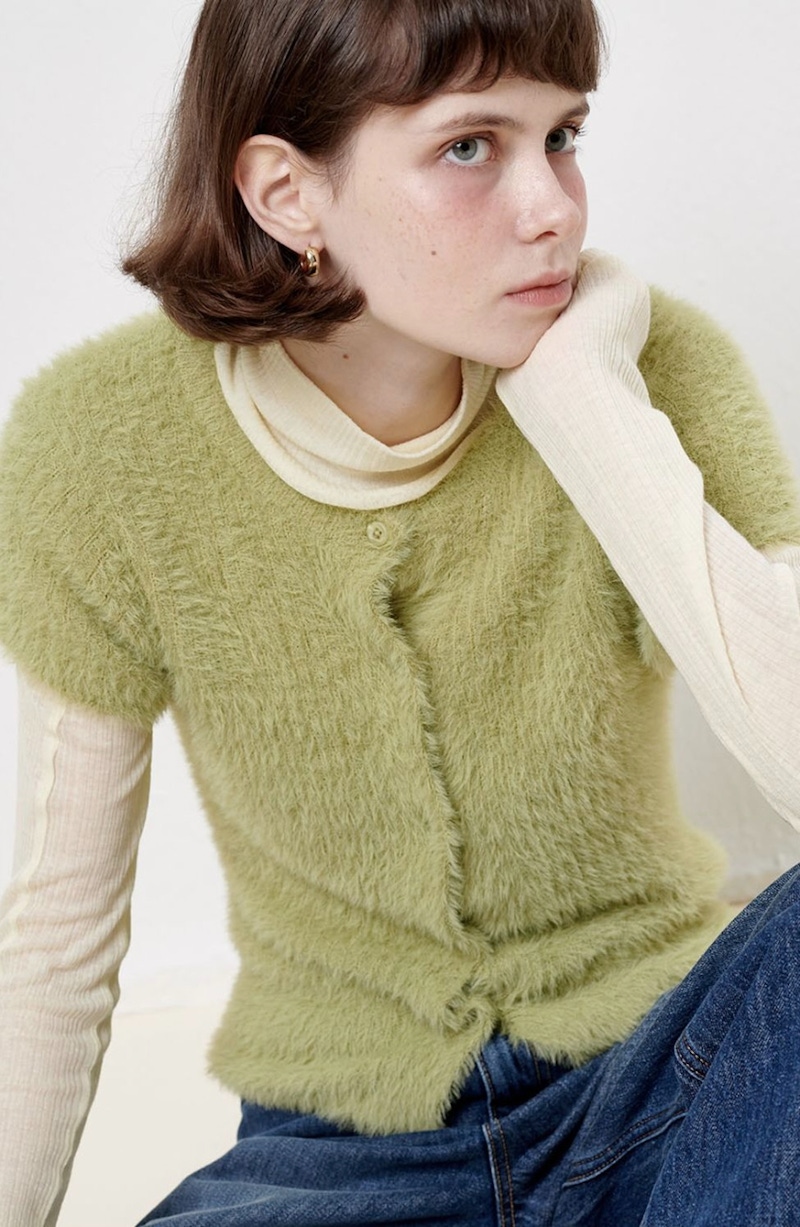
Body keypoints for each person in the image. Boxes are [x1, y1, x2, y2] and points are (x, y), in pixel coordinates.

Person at [1, 0, 799, 1223]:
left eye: (563, 137)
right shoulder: (98, 447)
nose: (552, 209)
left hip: (669, 1091)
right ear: (286, 194)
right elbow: (54, 943)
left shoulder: (651, 373)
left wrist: (586, 401)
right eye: (468, 145)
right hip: (333, 1165)